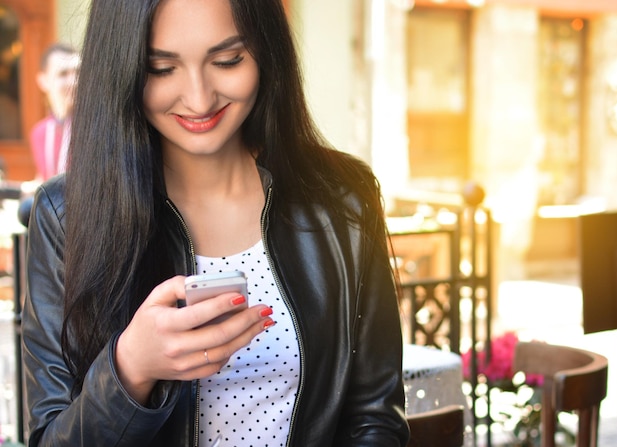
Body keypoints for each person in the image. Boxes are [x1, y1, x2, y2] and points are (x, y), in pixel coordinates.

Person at [21, 0, 409, 446]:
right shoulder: (63, 217)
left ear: (266, 50)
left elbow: (375, 419)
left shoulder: (343, 197)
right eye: (162, 68)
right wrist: (130, 369)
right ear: (122, 67)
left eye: (227, 60)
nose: (200, 98)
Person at [28, 43, 79, 182]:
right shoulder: (39, 133)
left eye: (78, 72)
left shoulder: (94, 126)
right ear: (43, 81)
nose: (75, 81)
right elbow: (45, 177)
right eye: (63, 74)